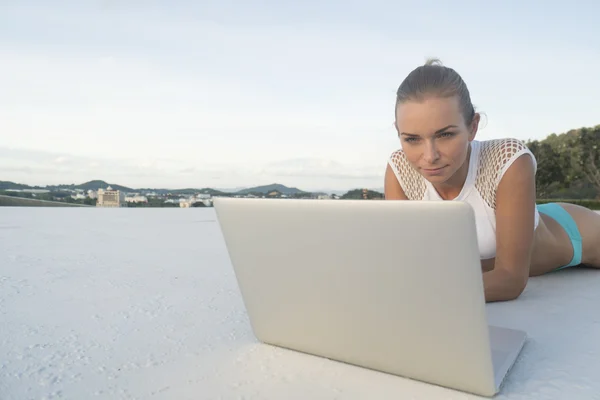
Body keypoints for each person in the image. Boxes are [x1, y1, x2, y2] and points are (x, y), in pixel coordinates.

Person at [384, 58, 600, 302]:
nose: (430, 156)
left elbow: (510, 279)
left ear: (473, 127)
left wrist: (421, 296)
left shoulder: (507, 160)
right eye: (412, 139)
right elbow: (410, 266)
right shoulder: (399, 172)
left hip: (577, 233)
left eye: (445, 135)